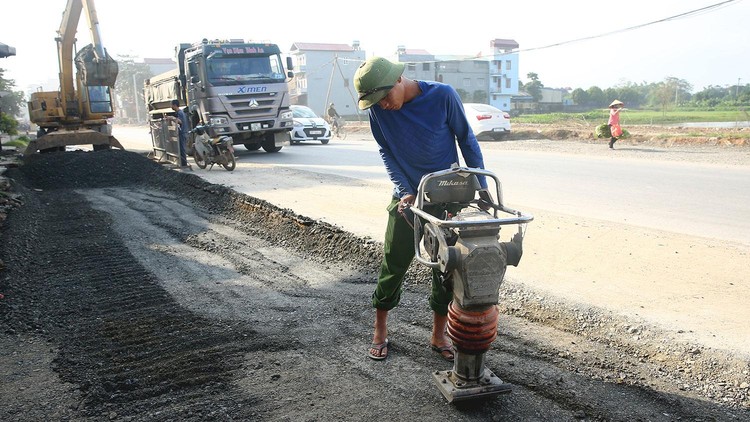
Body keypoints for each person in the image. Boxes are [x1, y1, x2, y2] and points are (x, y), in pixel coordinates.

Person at [354, 56, 491, 362]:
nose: (384, 105)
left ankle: (438, 334)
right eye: (376, 101)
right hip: (407, 200)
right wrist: (404, 192)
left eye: (385, 96)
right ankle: (380, 331)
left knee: (446, 267)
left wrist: (481, 185)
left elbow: (467, 140)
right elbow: (386, 151)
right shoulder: (378, 109)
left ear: (399, 80)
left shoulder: (443, 95)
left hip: (447, 194)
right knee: (394, 263)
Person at [168, 99, 189, 166]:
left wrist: (172, 118)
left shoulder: (180, 112)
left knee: (182, 149)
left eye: (171, 105)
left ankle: (184, 164)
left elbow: (180, 121)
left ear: (174, 105)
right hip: (182, 132)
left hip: (182, 133)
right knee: (180, 148)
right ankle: (182, 163)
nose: (171, 106)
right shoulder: (179, 112)